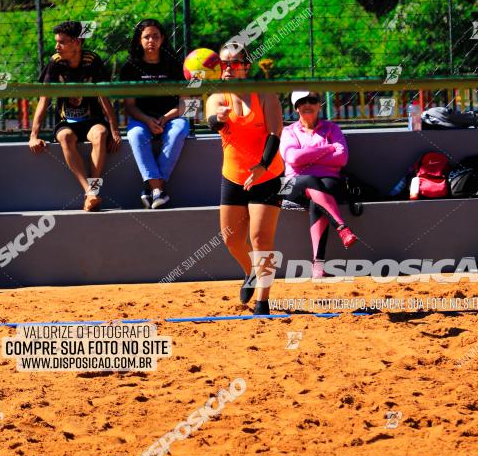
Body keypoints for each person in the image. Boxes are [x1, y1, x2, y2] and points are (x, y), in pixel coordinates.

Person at [205, 42, 284, 316]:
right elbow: (211, 121)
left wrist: (263, 165)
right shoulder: (218, 96)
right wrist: (218, 117)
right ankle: (250, 272)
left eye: (234, 63)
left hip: (266, 174)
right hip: (234, 176)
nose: (227, 68)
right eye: (224, 64)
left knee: (261, 238)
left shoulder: (265, 94)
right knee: (231, 240)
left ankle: (263, 301)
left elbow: (275, 133)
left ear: (246, 67)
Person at [29, 20, 122, 212]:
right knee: (64, 137)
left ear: (77, 43)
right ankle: (90, 192)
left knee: (100, 135)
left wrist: (114, 130)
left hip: (92, 120)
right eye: (56, 41)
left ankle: (93, 192)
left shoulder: (92, 61)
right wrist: (33, 135)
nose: (57, 46)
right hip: (66, 122)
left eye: (62, 42)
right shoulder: (55, 63)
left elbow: (104, 97)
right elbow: (44, 99)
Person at [279, 90, 357, 280]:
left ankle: (318, 268)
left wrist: (307, 155)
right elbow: (292, 157)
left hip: (327, 183)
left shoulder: (332, 128)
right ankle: (342, 228)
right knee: (312, 181)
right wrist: (328, 148)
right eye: (302, 101)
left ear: (319, 105)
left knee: (319, 196)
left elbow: (342, 158)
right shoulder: (288, 131)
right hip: (290, 185)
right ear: (296, 107)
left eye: (312, 100)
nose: (307, 104)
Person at [121, 19, 190, 209]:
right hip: (142, 119)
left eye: (155, 36)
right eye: (146, 37)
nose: (151, 40)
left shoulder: (176, 65)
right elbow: (129, 106)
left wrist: (166, 117)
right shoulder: (130, 67)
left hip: (172, 117)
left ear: (162, 39)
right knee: (135, 135)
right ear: (139, 40)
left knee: (178, 131)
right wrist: (147, 120)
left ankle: (150, 187)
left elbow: (184, 104)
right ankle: (159, 189)